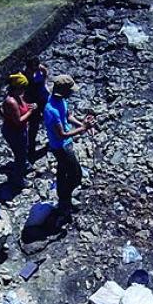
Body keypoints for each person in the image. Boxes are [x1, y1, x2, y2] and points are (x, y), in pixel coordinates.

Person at [43, 74, 94, 224]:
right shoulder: (51, 110)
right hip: (61, 147)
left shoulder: (61, 100)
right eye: (70, 90)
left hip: (65, 144)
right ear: (64, 91)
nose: (72, 93)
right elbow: (62, 134)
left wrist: (81, 124)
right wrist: (84, 128)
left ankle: (63, 195)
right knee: (75, 176)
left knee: (63, 171)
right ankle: (64, 198)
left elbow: (68, 115)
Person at [1, 72, 37, 187]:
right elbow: (19, 121)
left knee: (23, 151)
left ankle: (24, 165)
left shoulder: (18, 97)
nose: (24, 91)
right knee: (20, 156)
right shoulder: (11, 102)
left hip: (20, 131)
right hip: (14, 132)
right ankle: (18, 179)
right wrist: (31, 111)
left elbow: (23, 108)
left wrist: (29, 106)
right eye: (23, 88)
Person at [23, 56, 50, 161]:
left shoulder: (40, 69)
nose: (36, 67)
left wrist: (45, 83)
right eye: (34, 66)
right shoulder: (25, 76)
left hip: (43, 98)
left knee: (50, 118)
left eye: (37, 64)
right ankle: (31, 149)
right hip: (33, 103)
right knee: (33, 126)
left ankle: (54, 138)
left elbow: (45, 72)